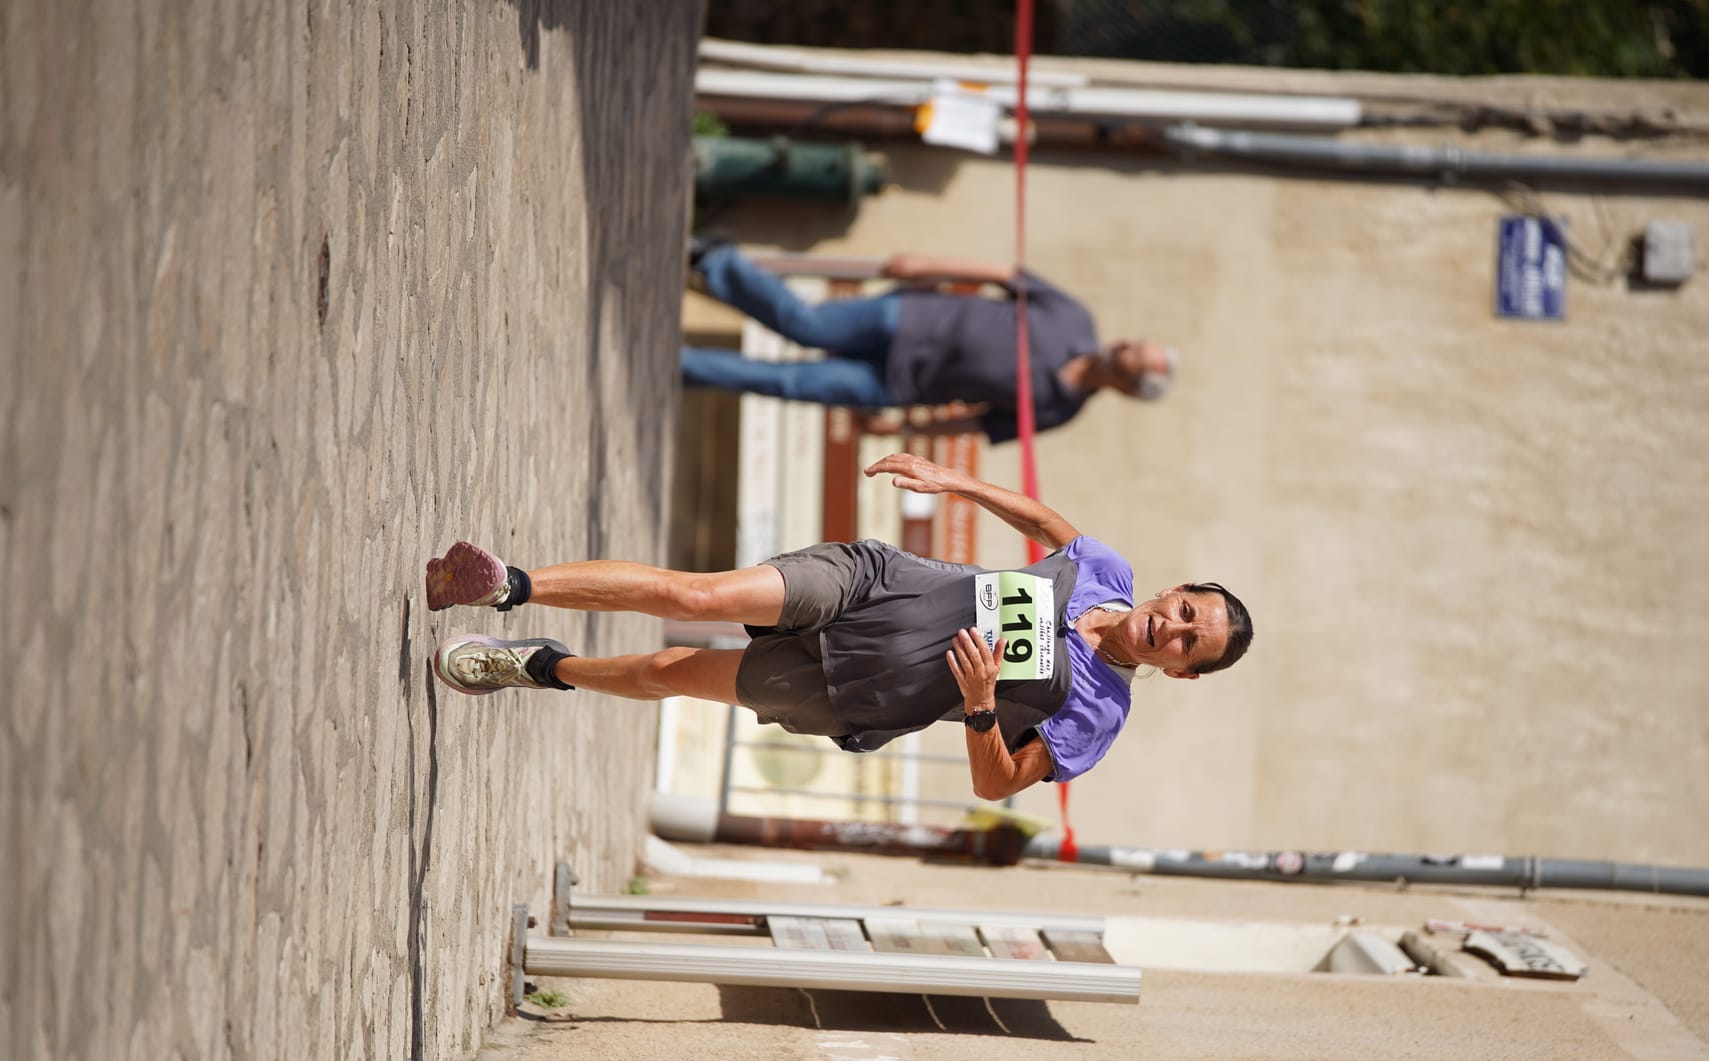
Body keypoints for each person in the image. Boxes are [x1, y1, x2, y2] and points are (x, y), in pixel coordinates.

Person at [424, 454, 1251, 798]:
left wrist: (979, 703)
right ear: (1173, 590)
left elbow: (998, 782)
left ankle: (536, 667)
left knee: (666, 671)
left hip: (851, 690)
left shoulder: (1098, 715)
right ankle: (509, 585)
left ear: (1181, 673)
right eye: (1185, 612)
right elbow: (1041, 516)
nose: (1170, 630)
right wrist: (950, 480)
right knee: (699, 597)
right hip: (872, 587)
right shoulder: (1105, 568)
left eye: (1189, 644)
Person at [682, 241, 1177, 446]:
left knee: (786, 382)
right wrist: (926, 266)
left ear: (1129, 386)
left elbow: (975, 423)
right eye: (1136, 341)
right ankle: (716, 260)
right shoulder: (1074, 317)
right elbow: (1006, 275)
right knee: (804, 322)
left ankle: (681, 367)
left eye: (1135, 355)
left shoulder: (1061, 409)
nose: (1126, 344)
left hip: (897, 384)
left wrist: (902, 432)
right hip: (906, 319)